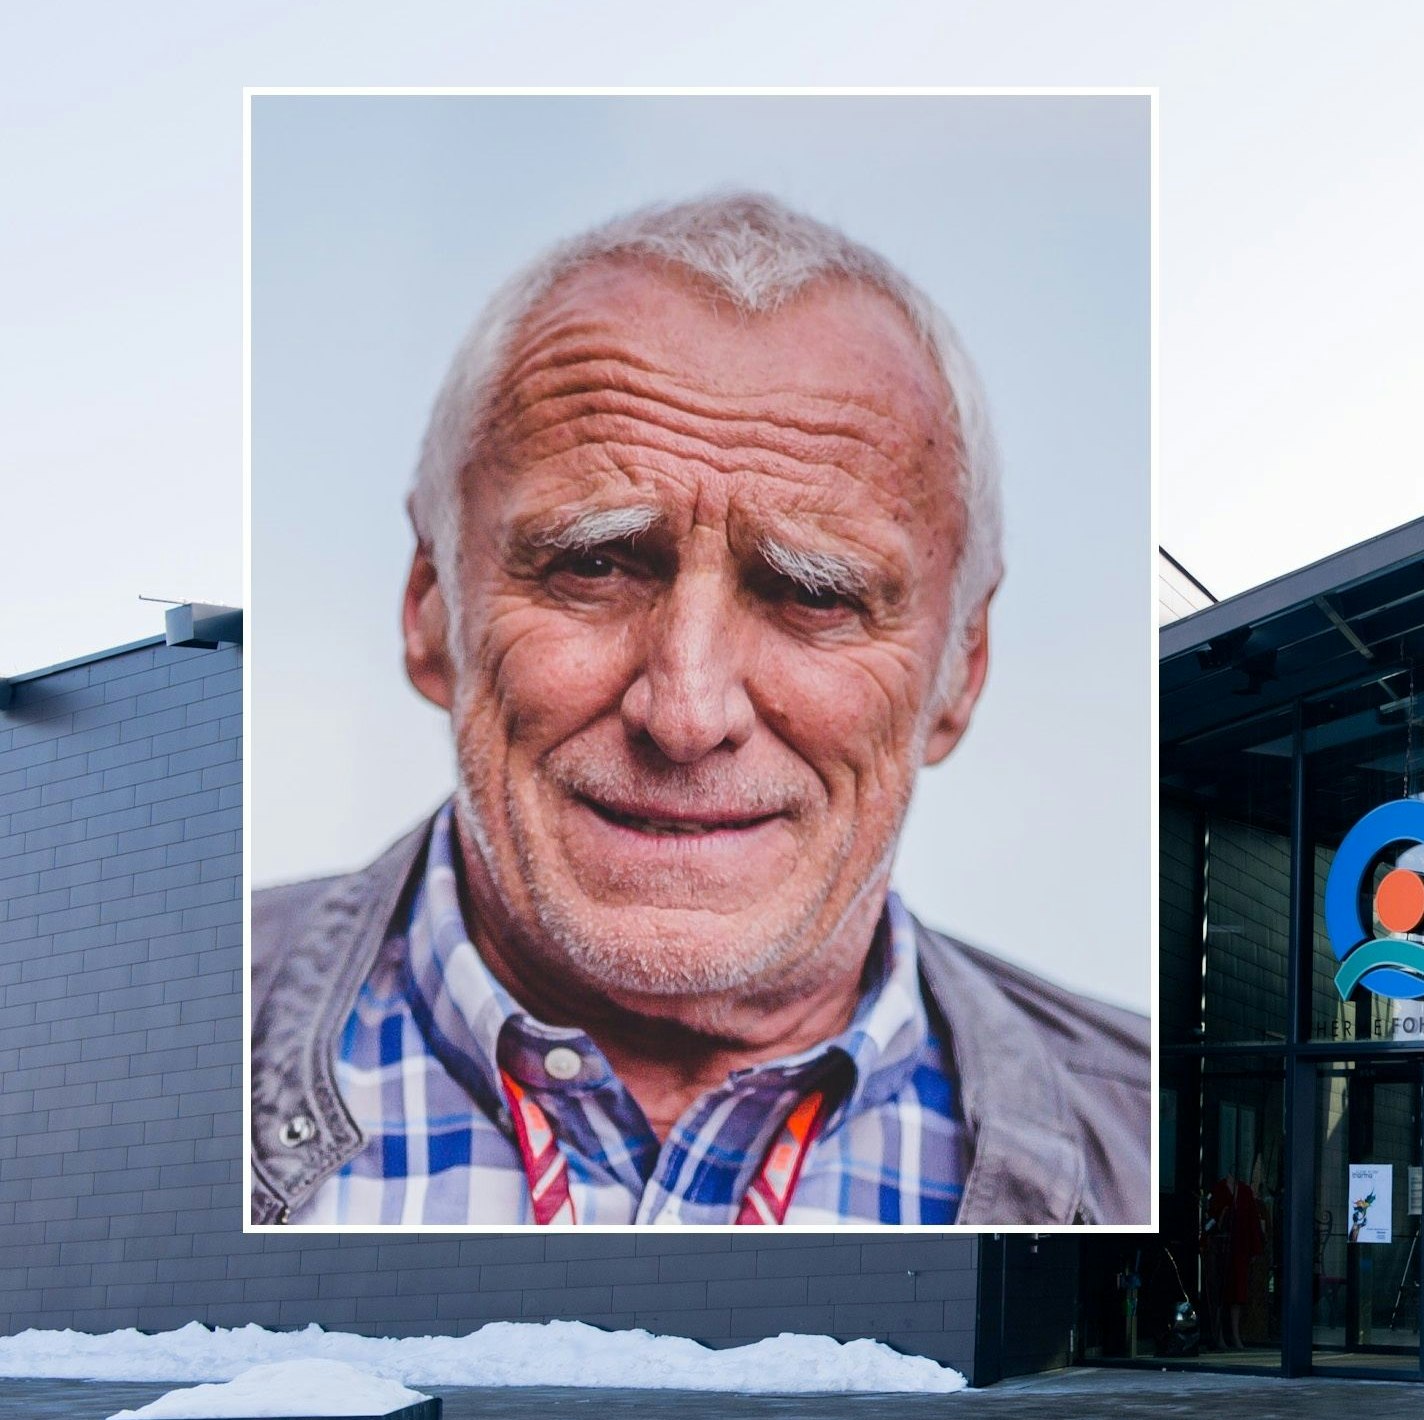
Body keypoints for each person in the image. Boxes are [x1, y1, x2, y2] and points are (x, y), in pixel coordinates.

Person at [248, 192, 1149, 1227]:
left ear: (962, 670)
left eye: (814, 593)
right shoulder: (136, 1042)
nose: (684, 711)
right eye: (592, 565)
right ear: (429, 607)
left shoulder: (1149, 1133)